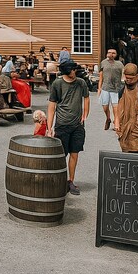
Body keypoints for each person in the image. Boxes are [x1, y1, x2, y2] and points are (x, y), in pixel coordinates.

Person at [47, 61, 90, 195]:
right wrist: (49, 127)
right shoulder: (57, 84)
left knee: (74, 154)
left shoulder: (81, 83)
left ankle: (70, 181)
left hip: (77, 125)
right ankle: (58, 181)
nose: (75, 72)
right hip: (62, 125)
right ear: (67, 71)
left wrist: (85, 114)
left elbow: (86, 98)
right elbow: (52, 106)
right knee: (61, 155)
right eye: (73, 70)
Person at [97, 48, 124, 130]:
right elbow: (101, 76)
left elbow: (123, 75)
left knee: (115, 108)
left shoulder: (119, 64)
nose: (111, 54)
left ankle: (116, 125)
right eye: (109, 52)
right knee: (105, 107)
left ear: (116, 54)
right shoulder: (103, 63)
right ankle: (108, 119)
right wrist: (99, 88)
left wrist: (124, 82)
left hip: (116, 88)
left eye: (113, 53)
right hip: (105, 87)